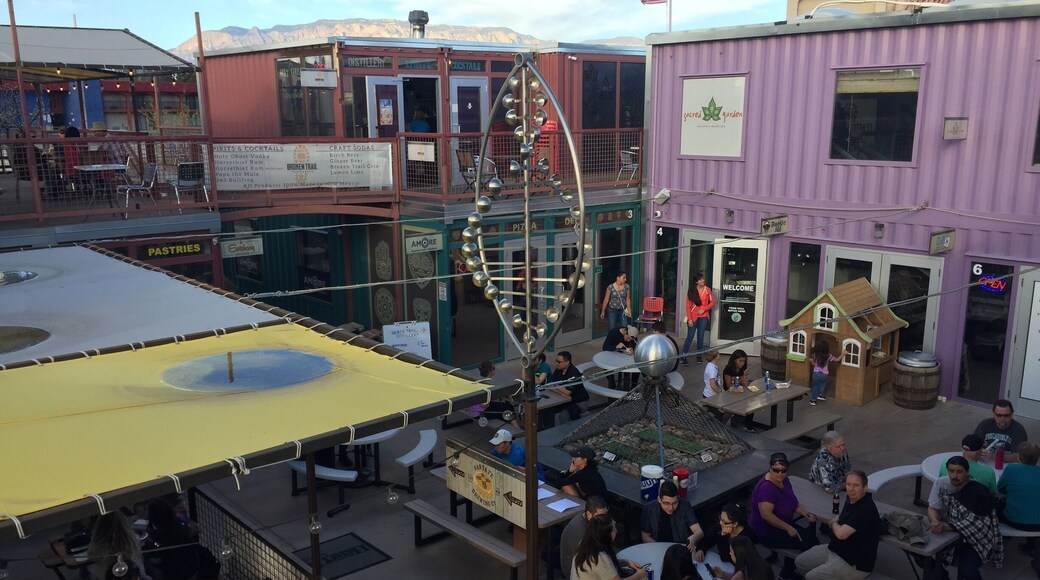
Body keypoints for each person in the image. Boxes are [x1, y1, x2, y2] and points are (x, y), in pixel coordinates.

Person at [795, 471, 882, 580]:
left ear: (865, 488)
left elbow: (841, 534)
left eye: (856, 485)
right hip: (837, 549)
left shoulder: (865, 509)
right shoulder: (851, 498)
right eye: (848, 484)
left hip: (855, 564)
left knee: (811, 577)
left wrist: (835, 523)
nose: (851, 489)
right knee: (800, 562)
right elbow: (846, 516)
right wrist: (838, 518)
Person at [927, 456, 1004, 580]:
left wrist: (944, 527)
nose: (954, 476)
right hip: (949, 536)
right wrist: (935, 521)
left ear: (967, 472)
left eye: (959, 472)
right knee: (921, 553)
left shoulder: (978, 491)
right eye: (951, 471)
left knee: (968, 570)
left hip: (975, 540)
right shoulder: (941, 483)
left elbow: (976, 523)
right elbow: (932, 508)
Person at [749, 453, 818, 580]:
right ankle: (790, 573)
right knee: (809, 542)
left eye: (783, 470)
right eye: (776, 470)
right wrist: (787, 528)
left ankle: (788, 569)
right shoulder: (766, 488)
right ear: (770, 468)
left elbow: (793, 503)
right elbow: (766, 515)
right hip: (768, 531)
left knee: (810, 538)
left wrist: (807, 515)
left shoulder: (784, 481)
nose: (780, 474)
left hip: (783, 524)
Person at [572, 515, 647, 580]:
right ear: (606, 536)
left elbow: (604, 569)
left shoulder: (584, 543)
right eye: (614, 529)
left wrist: (626, 562)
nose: (616, 531)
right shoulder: (599, 558)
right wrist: (639, 575)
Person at [996, 442, 1040, 553]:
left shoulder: (1011, 469)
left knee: (995, 508)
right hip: (1038, 524)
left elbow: (1000, 489)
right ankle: (1030, 544)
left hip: (1013, 521)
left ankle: (999, 539)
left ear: (1018, 457)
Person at [145, 498, 200, 580]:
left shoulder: (159, 535)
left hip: (175, 573)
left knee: (147, 562)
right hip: (192, 566)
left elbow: (154, 554)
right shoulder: (180, 523)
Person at [641, 480, 705, 549]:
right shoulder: (649, 509)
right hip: (657, 548)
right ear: (659, 499)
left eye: (675, 503)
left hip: (680, 549)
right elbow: (646, 537)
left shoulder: (685, 506)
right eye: (666, 503)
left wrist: (694, 537)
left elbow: (699, 532)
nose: (671, 508)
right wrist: (659, 548)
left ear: (678, 498)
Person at [699, 503, 757, 578]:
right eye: (720, 519)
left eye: (724, 521)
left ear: (735, 523)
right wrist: (701, 549)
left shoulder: (746, 537)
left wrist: (723, 536)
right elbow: (708, 539)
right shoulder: (722, 526)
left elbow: (725, 557)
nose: (720, 523)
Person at [88, 510, 149, 580]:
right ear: (122, 521)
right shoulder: (133, 540)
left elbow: (93, 563)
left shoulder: (96, 546)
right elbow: (140, 567)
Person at [561, 496, 610, 577]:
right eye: (600, 517)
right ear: (589, 514)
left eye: (605, 516)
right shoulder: (580, 530)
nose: (604, 520)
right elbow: (586, 558)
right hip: (575, 570)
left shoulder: (591, 522)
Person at [974, 399, 1029, 463]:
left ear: (1011, 414)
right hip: (985, 462)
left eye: (1006, 415)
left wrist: (995, 457)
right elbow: (974, 444)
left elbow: (1019, 455)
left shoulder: (1019, 430)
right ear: (993, 414)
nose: (1002, 419)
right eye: (999, 415)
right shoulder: (984, 425)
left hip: (1007, 466)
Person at [681, 274, 715, 366]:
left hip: (703, 317)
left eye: (703, 279)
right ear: (696, 282)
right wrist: (690, 320)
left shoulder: (707, 290)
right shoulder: (692, 290)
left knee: (701, 337)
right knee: (690, 337)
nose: (702, 281)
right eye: (700, 280)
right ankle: (683, 356)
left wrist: (704, 309)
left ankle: (698, 355)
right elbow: (688, 306)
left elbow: (712, 302)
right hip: (693, 317)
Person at [722, 350, 756, 433]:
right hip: (729, 393)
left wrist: (746, 379)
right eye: (740, 361)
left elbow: (743, 383)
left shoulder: (742, 369)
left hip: (739, 391)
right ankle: (721, 424)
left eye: (744, 361)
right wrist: (742, 379)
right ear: (734, 360)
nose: (742, 363)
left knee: (751, 402)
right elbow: (729, 386)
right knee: (730, 409)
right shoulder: (728, 370)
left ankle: (748, 425)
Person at [550, 350, 588, 421]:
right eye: (556, 361)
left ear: (567, 362)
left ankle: (568, 431)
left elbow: (568, 392)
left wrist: (557, 386)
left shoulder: (573, 373)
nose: (557, 363)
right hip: (565, 400)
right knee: (549, 411)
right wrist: (561, 392)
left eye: (559, 362)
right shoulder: (559, 370)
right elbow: (550, 385)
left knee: (563, 416)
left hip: (579, 402)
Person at [808, 341, 842, 406]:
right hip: (824, 374)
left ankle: (813, 400)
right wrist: (843, 353)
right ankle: (820, 395)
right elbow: (837, 360)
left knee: (815, 386)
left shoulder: (815, 355)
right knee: (823, 383)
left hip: (816, 373)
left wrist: (811, 361)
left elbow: (814, 364)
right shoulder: (828, 355)